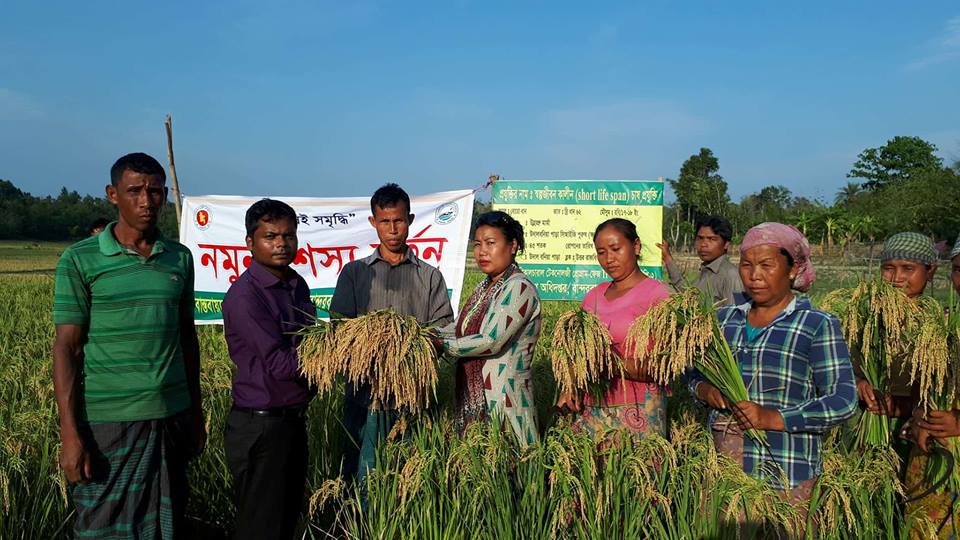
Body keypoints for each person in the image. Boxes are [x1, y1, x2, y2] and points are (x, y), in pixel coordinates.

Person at [52, 152, 205, 538]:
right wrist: (70, 434)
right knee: (102, 523)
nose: (146, 201)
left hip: (170, 416)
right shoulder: (80, 260)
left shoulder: (179, 258)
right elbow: (67, 349)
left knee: (166, 521)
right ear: (112, 194)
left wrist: (195, 412)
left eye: (155, 191)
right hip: (108, 421)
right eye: (134, 190)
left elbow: (187, 339)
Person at [688, 222, 857, 526]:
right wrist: (703, 390)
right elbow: (692, 372)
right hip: (726, 471)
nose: (754, 276)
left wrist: (773, 418)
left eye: (767, 265)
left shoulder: (817, 324)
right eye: (747, 265)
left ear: (793, 269)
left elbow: (842, 400)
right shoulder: (724, 320)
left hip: (786, 472)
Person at [331, 183, 454, 485]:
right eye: (384, 222)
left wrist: (410, 346)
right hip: (365, 397)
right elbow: (340, 329)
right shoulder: (354, 274)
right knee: (363, 475)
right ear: (373, 223)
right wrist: (371, 345)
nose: (393, 229)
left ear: (410, 220)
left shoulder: (429, 276)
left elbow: (444, 329)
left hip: (413, 398)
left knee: (408, 475)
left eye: (398, 220)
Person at [221, 199, 316, 540]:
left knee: (285, 519)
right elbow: (280, 362)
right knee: (261, 527)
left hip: (291, 421)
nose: (281, 243)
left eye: (289, 235)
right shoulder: (246, 297)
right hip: (260, 427)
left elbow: (310, 341)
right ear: (250, 242)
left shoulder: (297, 285)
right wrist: (338, 355)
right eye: (270, 236)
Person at [555, 218, 670, 439]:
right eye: (601, 252)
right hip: (590, 409)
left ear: (635, 247)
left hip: (638, 413)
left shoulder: (658, 295)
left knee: (632, 471)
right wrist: (569, 385)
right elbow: (576, 351)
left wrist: (609, 364)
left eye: (616, 249)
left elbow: (664, 366)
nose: (609, 259)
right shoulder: (594, 296)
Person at [440, 211, 541, 445]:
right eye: (477, 244)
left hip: (506, 399)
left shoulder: (519, 288)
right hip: (478, 396)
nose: (482, 252)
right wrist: (424, 334)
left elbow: (489, 340)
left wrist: (441, 344)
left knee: (512, 467)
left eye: (490, 243)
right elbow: (460, 329)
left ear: (513, 245)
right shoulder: (484, 288)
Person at [854, 233, 939, 455]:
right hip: (866, 425)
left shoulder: (939, 324)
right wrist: (859, 384)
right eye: (888, 268)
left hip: (916, 432)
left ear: (930, 271)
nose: (896, 278)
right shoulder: (864, 318)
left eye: (908, 268)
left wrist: (902, 407)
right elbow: (840, 367)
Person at [903, 233, 960, 539]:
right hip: (930, 459)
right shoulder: (942, 327)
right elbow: (922, 388)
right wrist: (918, 416)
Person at [658, 214, 745, 305]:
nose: (703, 244)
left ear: (726, 244)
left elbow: (736, 316)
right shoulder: (706, 270)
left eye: (711, 239)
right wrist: (667, 258)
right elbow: (686, 294)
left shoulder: (731, 275)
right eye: (700, 238)